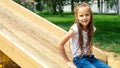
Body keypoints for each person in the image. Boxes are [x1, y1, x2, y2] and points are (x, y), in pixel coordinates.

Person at [58, 2, 111, 68]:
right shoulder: (75, 29)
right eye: (81, 15)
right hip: (79, 59)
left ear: (90, 15)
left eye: (87, 15)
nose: (84, 17)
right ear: (76, 17)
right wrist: (67, 61)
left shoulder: (92, 28)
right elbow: (60, 44)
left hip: (91, 58)